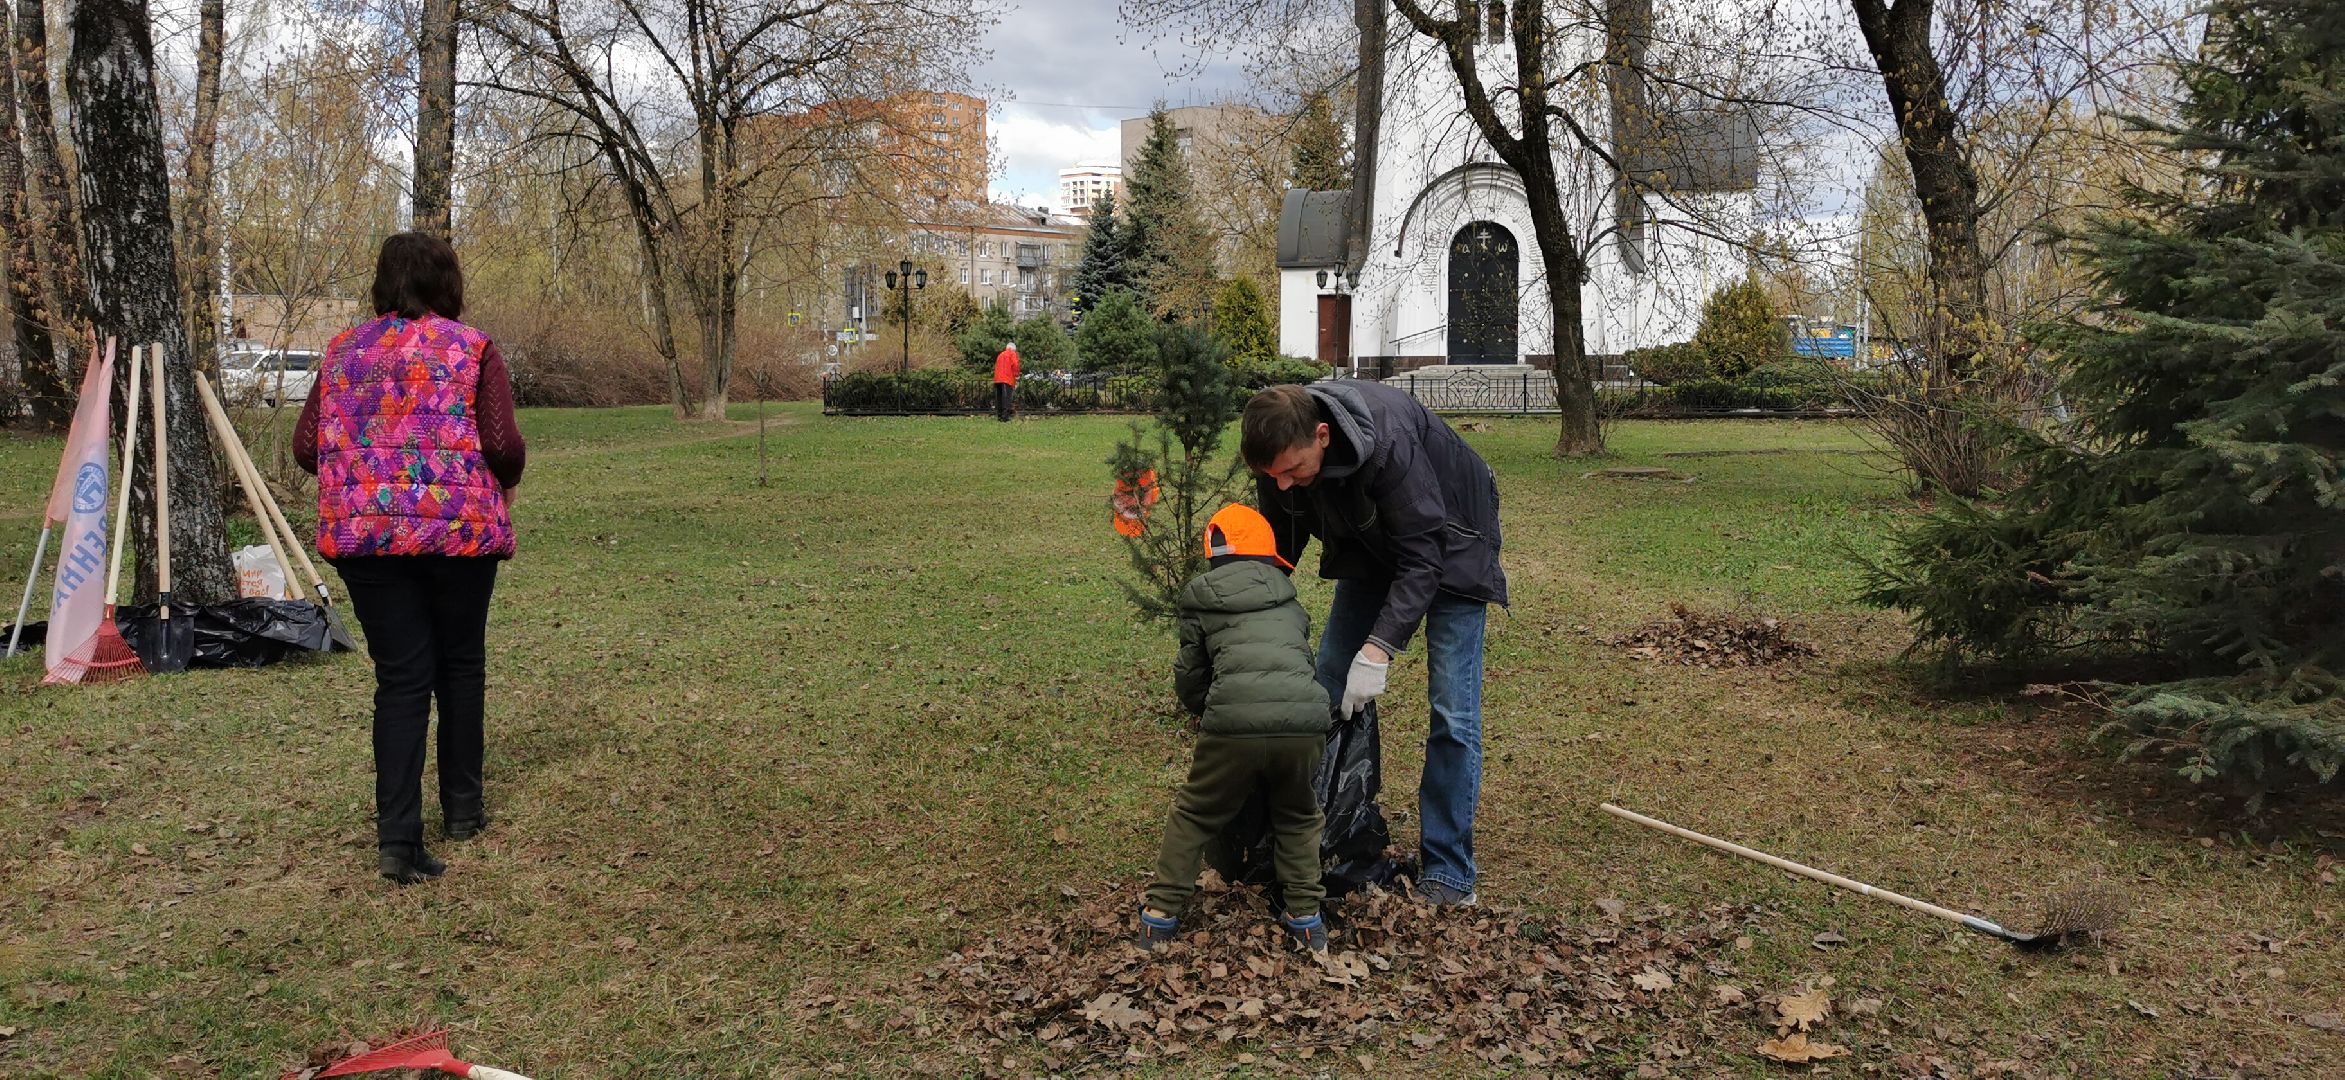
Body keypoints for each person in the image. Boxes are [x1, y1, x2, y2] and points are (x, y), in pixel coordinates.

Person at [294, 231, 526, 886]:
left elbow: (307, 446)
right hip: (458, 533)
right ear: (447, 282)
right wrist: (504, 479)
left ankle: (398, 840)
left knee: (400, 679)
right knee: (461, 664)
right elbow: (503, 445)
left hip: (368, 538)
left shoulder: (343, 352)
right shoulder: (472, 347)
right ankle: (464, 810)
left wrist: (366, 467)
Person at [1239, 381, 1505, 907]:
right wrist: (1248, 616)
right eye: (1273, 477)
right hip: (1369, 544)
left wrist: (1379, 649)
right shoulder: (1281, 457)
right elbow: (1279, 547)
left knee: (1452, 712)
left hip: (1454, 542)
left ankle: (1450, 871)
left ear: (1322, 435)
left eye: (1292, 471)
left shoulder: (1389, 443)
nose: (1283, 485)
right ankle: (1319, 836)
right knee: (1328, 685)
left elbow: (1424, 558)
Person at [1140, 504, 1333, 954]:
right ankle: (1306, 920)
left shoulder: (1200, 601)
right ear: (1268, 559)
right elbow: (1301, 662)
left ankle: (1159, 917)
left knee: (1196, 812)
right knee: (1298, 814)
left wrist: (1202, 710)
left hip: (1232, 728)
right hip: (1303, 724)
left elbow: (1191, 674)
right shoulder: (1290, 603)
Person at [992, 339, 1020, 421]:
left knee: (999, 398)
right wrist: (1017, 375)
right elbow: (1015, 365)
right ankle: (1005, 417)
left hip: (998, 379)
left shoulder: (1000, 354)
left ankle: (999, 416)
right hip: (1007, 379)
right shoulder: (1012, 354)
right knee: (1006, 398)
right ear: (1013, 349)